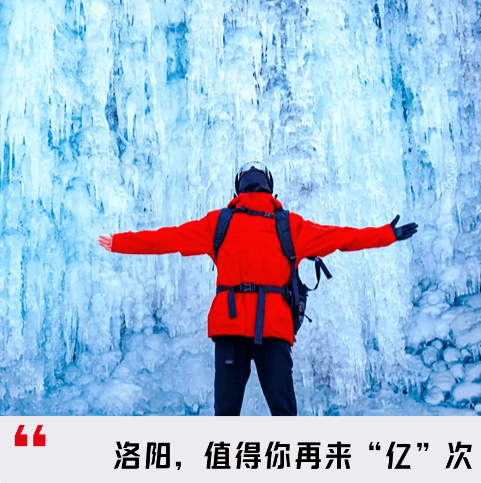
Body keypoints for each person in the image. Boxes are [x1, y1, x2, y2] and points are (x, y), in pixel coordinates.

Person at [98, 161, 418, 416]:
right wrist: (385, 234)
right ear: (270, 189)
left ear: (238, 190)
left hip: (230, 328)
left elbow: (166, 239)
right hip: (274, 330)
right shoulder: (290, 226)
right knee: (283, 413)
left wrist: (119, 243)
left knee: (226, 414)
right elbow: (343, 238)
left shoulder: (218, 223)